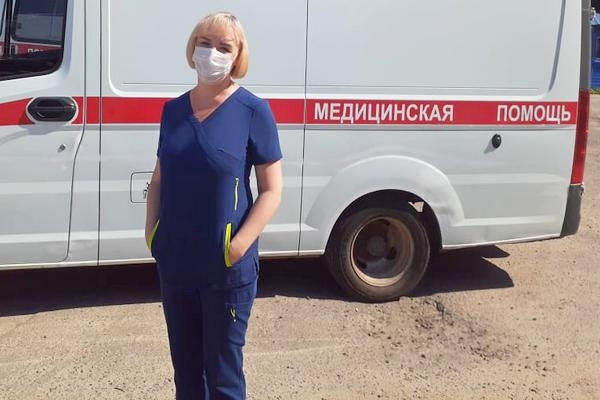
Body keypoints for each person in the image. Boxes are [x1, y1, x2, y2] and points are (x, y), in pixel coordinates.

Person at [144, 12, 283, 400]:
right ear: (192, 48)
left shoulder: (253, 111)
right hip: (176, 263)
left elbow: (272, 190)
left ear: (238, 56)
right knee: (186, 375)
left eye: (224, 47)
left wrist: (237, 247)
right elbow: (160, 178)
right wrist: (152, 232)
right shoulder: (173, 111)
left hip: (225, 271)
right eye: (205, 43)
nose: (212, 53)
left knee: (222, 378)